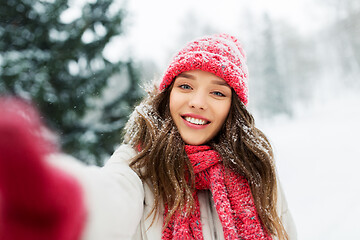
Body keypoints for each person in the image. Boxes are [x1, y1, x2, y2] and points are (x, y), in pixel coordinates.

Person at [0, 34, 297, 240]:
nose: (197, 101)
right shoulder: (139, 163)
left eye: (218, 92)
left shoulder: (254, 169)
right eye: (185, 86)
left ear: (233, 108)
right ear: (166, 94)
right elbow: (110, 198)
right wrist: (64, 202)